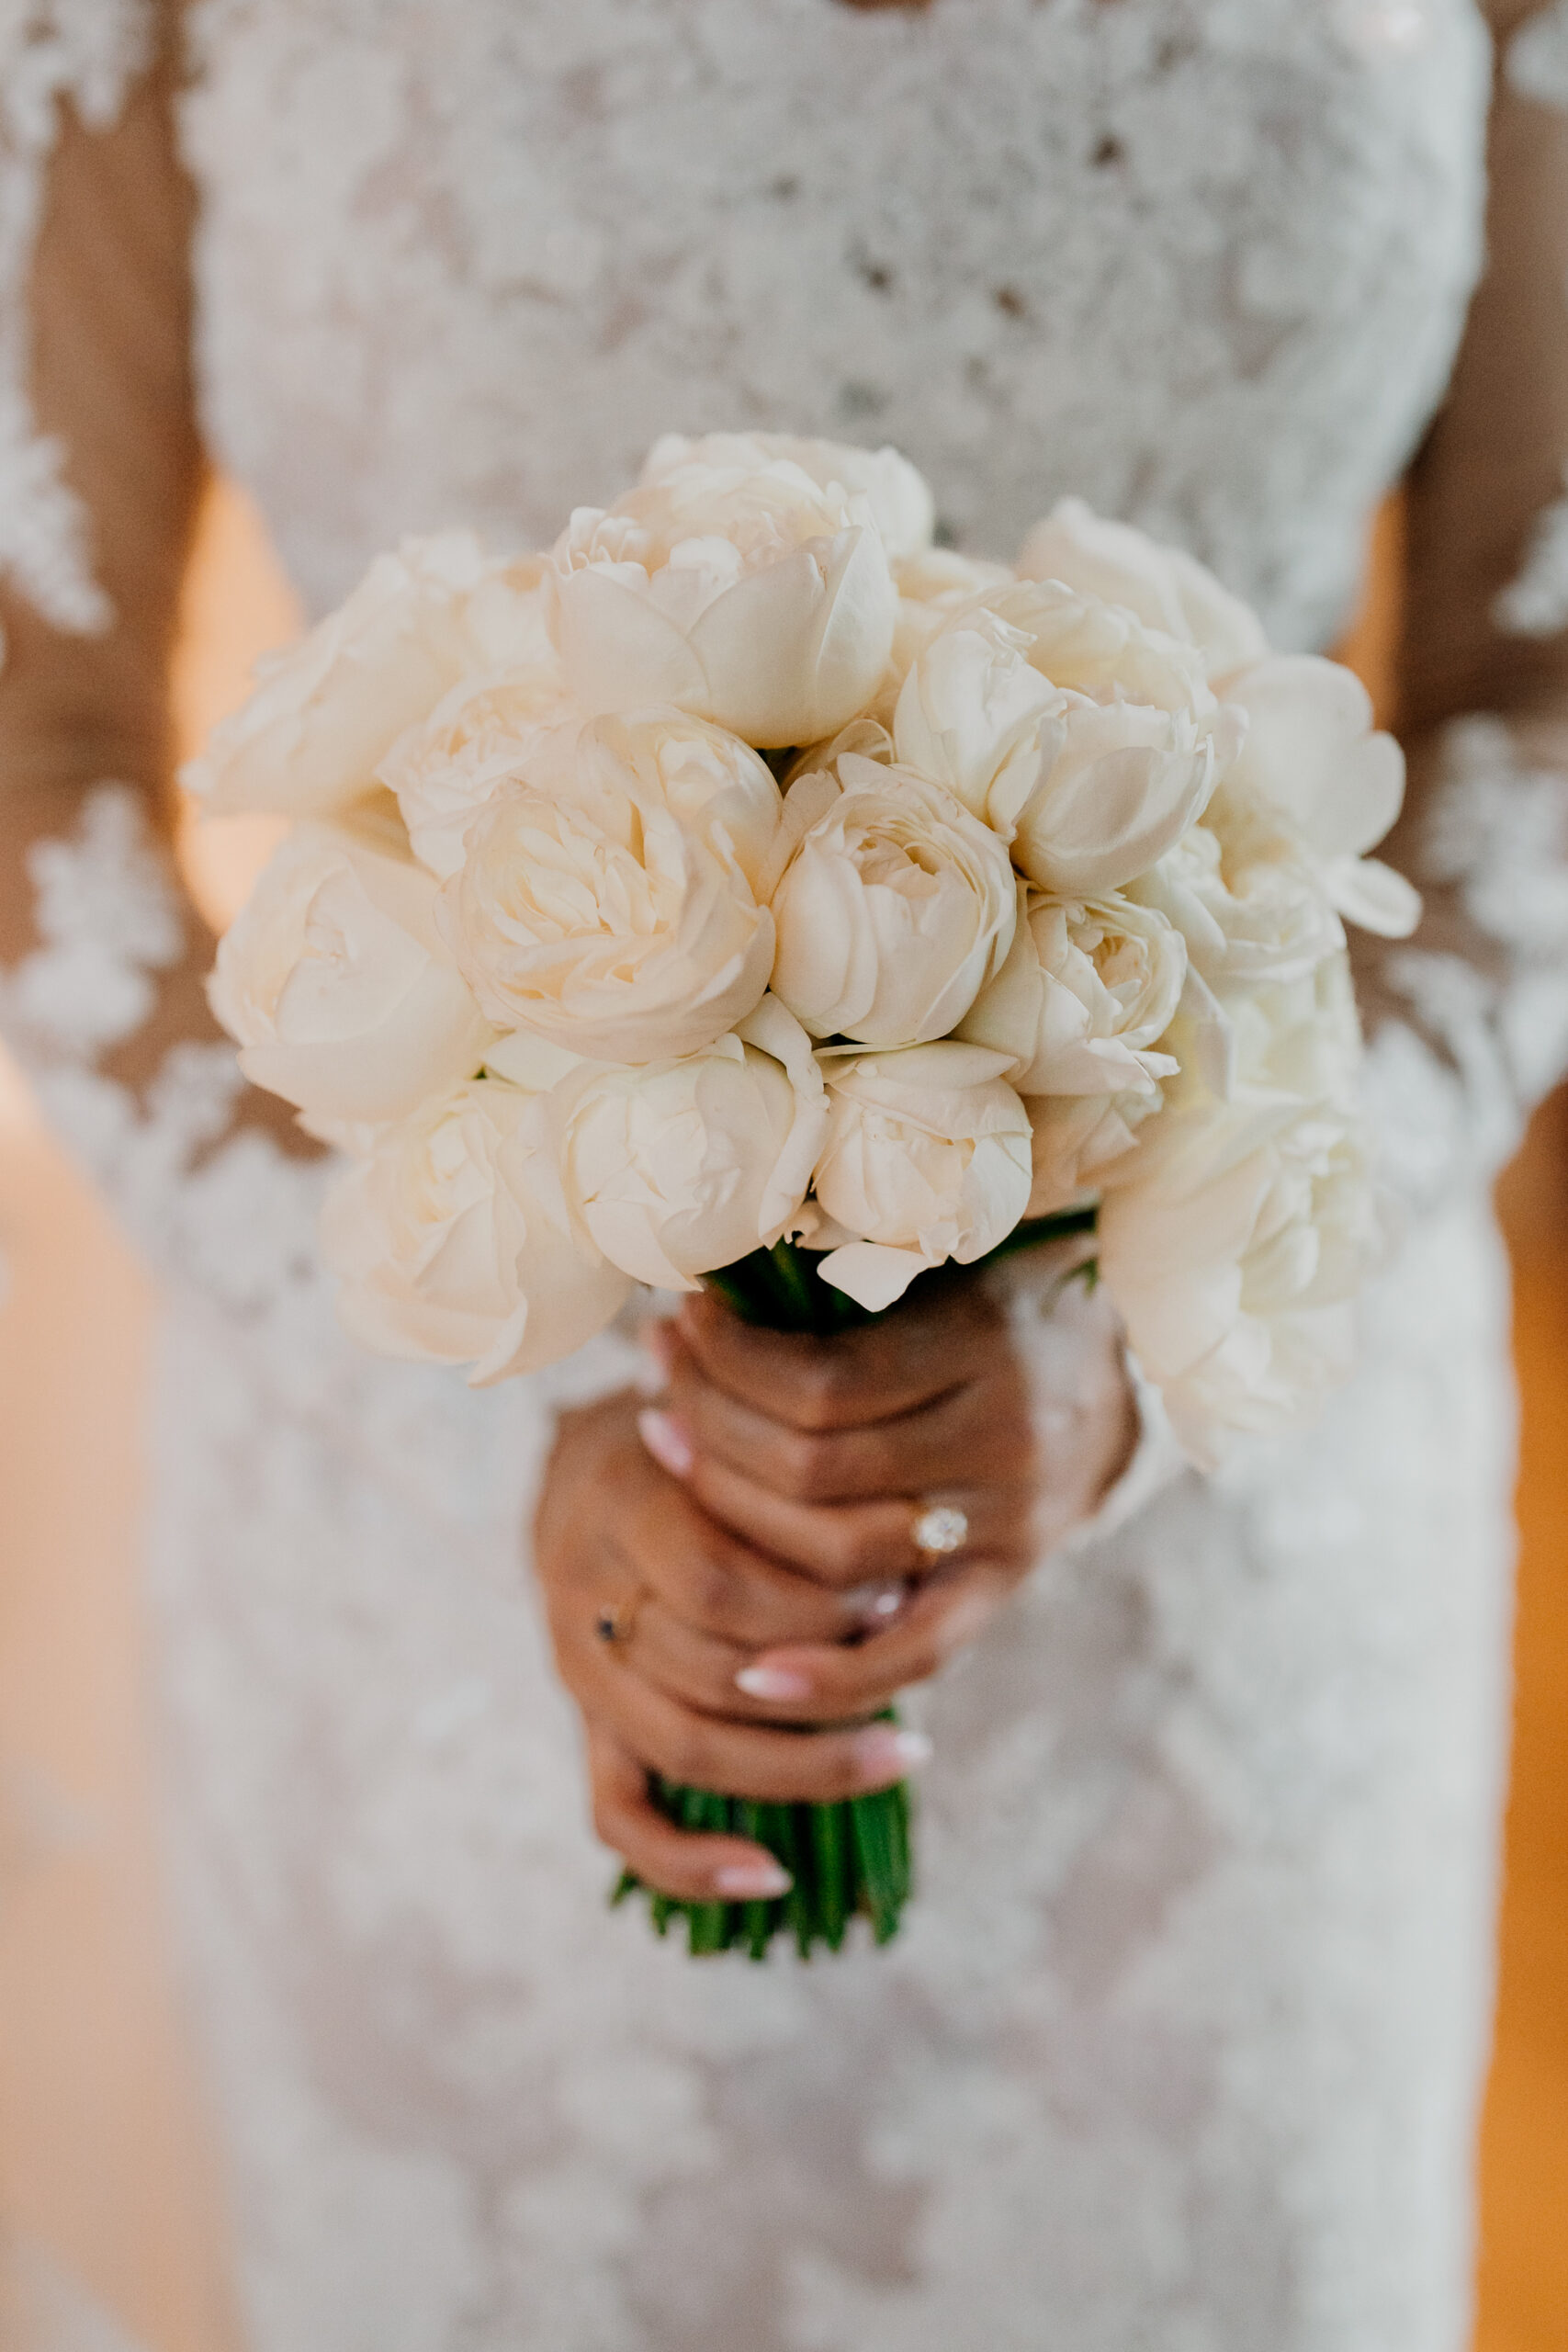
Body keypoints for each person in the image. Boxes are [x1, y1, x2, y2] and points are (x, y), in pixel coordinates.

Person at [1, 2, 1565, 2345]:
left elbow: (1529, 697)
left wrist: (1148, 1333)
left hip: (1228, 1571)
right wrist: (505, 1411)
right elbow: (40, 738)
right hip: (434, 1553)